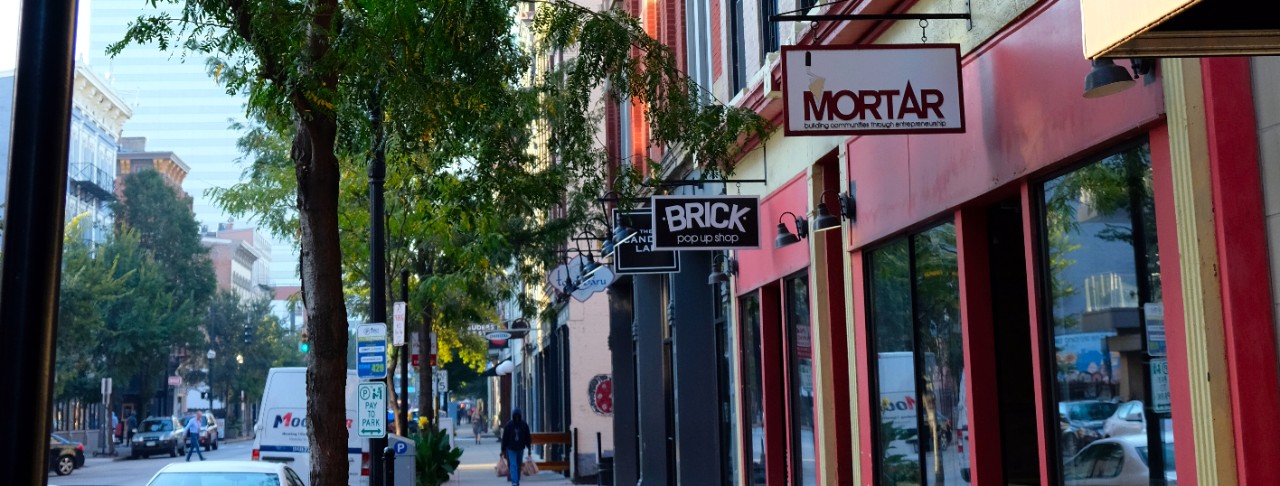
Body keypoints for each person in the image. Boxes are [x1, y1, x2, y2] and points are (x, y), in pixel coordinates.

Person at [500, 408, 532, 486]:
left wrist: (529, 448)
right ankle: (514, 481)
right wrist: (503, 449)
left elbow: (527, 437)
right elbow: (505, 438)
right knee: (513, 465)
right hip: (511, 449)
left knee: (518, 465)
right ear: (513, 416)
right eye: (515, 416)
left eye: (518, 416)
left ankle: (517, 479)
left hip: (520, 448)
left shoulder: (524, 425)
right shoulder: (509, 425)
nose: (517, 418)